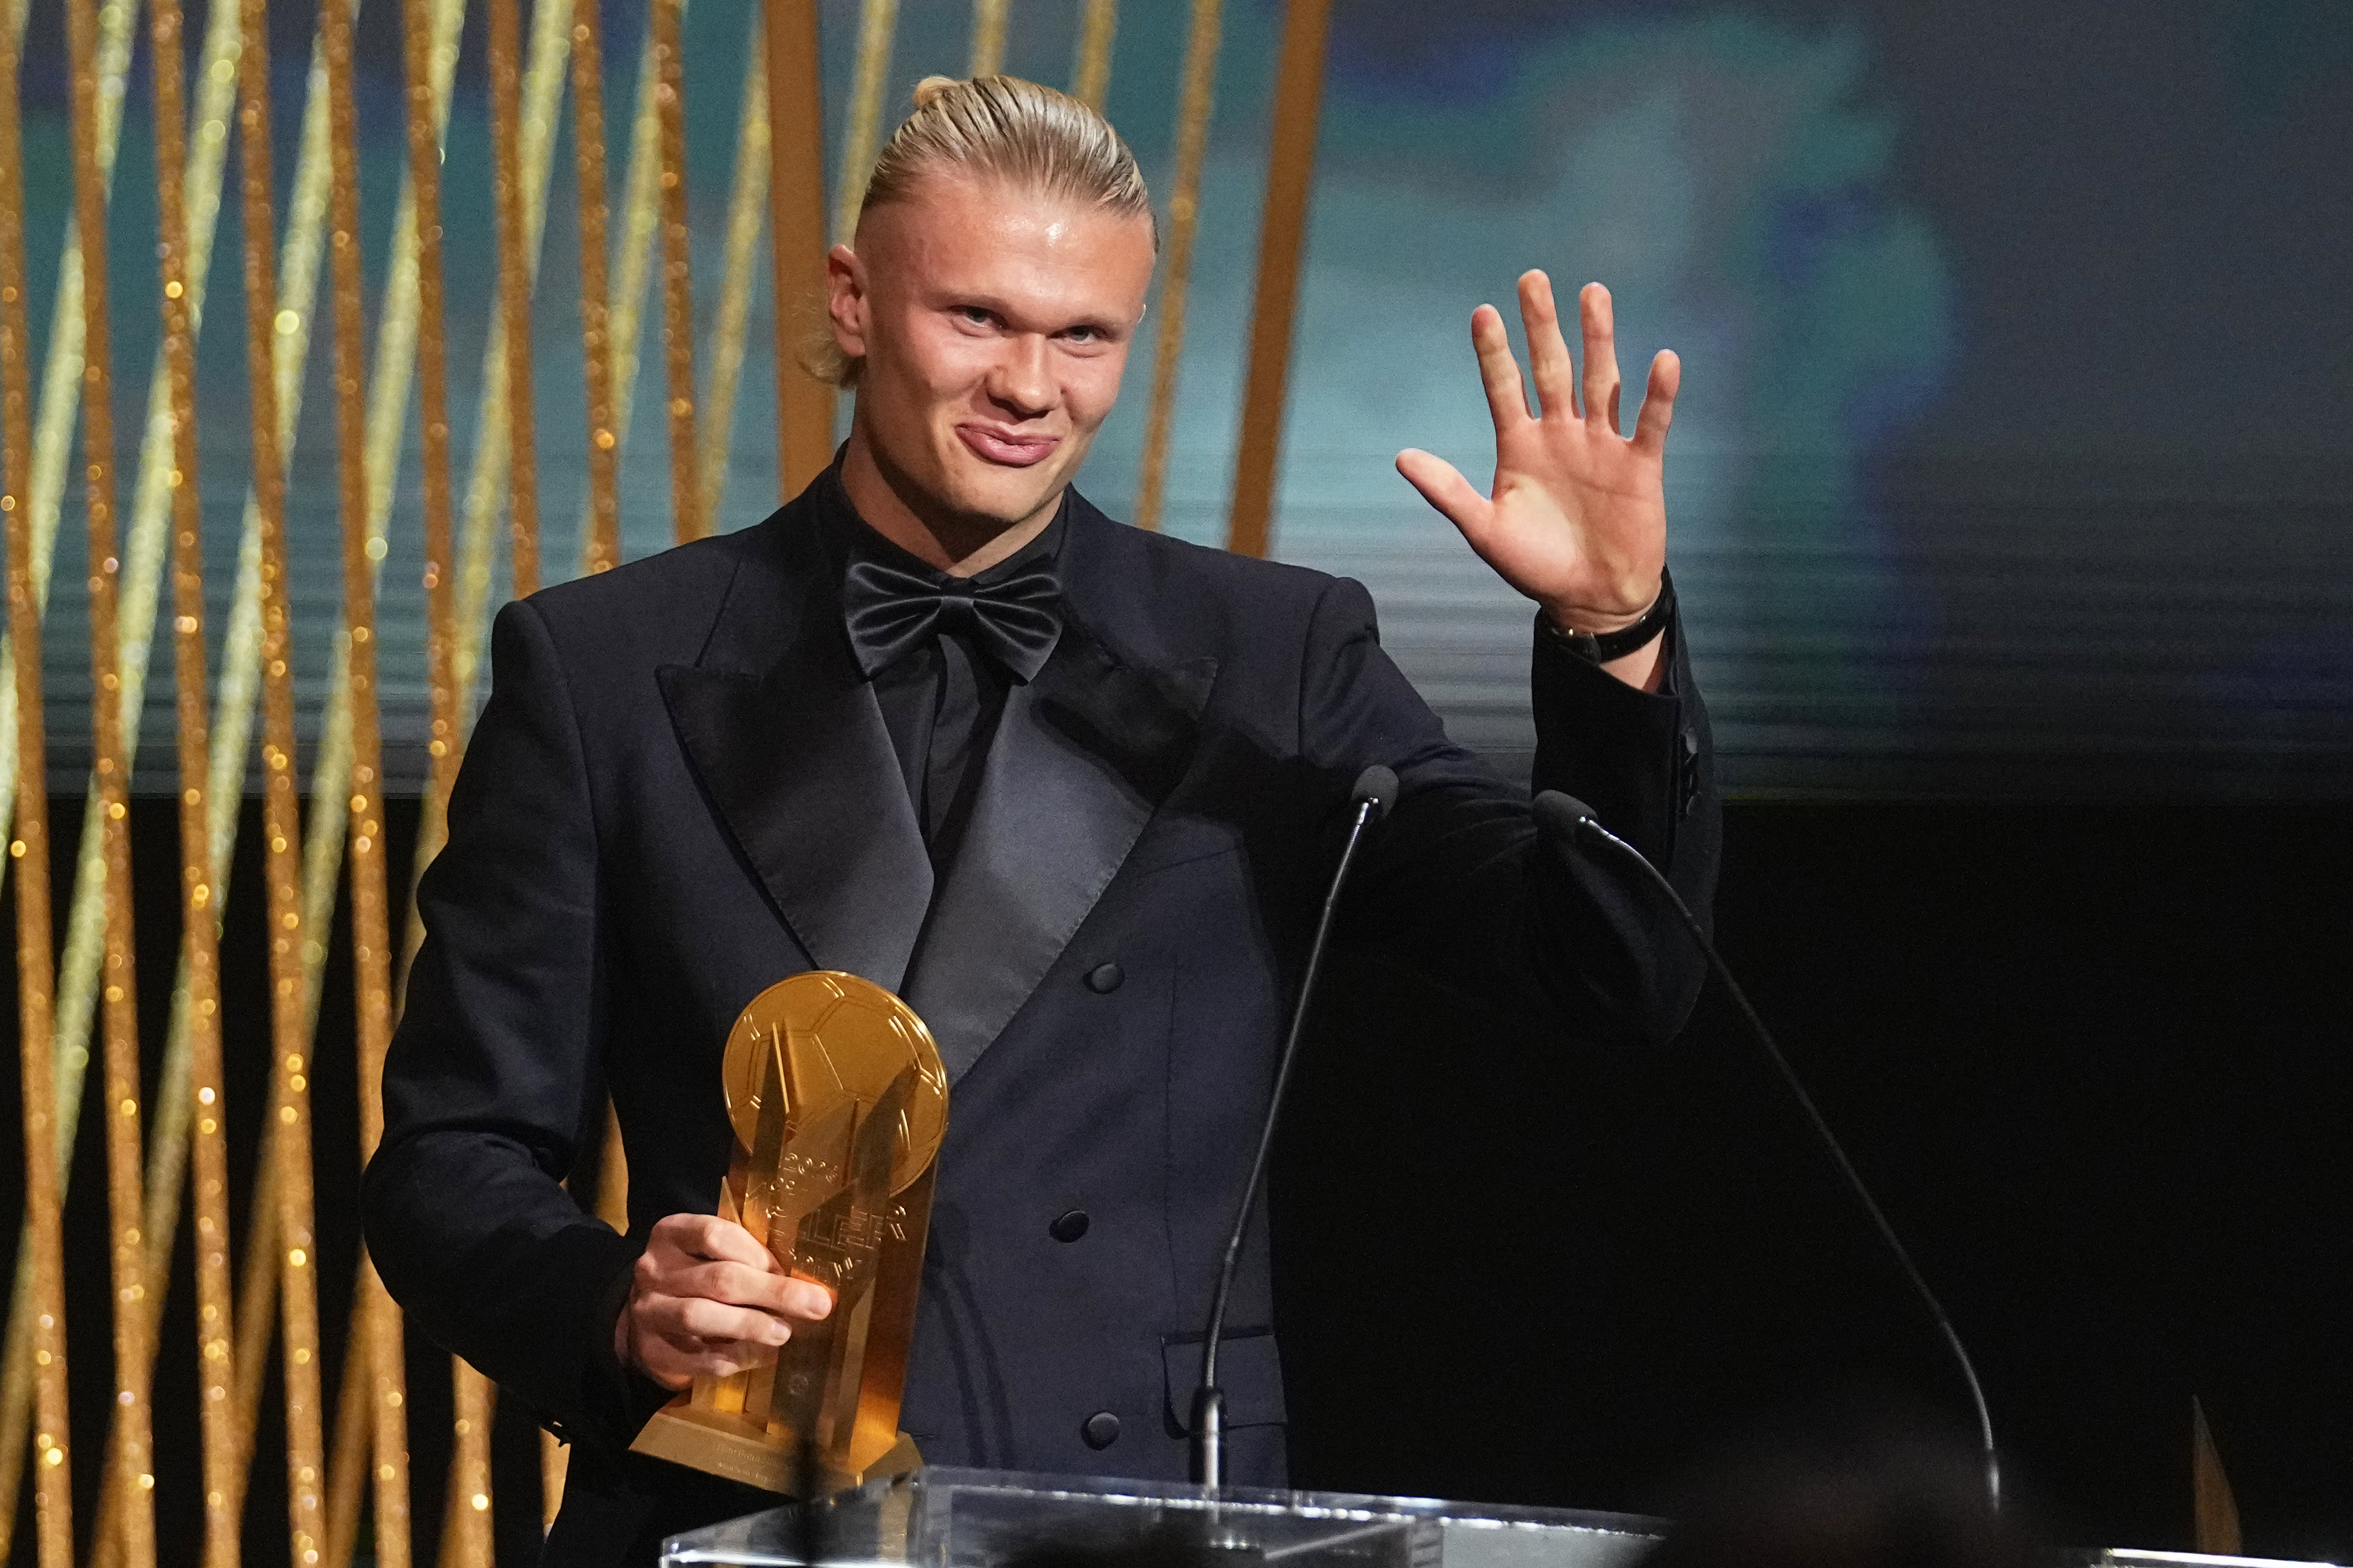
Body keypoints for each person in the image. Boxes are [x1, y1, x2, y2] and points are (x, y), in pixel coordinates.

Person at [363, 73, 1720, 1565]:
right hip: (734, 1526)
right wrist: (615, 1302)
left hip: (1138, 1523)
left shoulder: (1273, 655)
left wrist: (1612, 634)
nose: (1031, 386)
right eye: (980, 319)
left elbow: (1615, 969)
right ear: (855, 299)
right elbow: (450, 1157)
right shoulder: (606, 667)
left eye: (1085, 337)